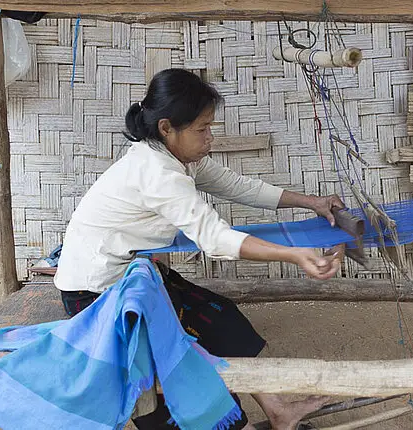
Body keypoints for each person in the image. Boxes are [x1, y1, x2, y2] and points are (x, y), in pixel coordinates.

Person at [54, 68, 346, 430]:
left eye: (210, 126)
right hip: (96, 292)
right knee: (177, 372)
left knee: (219, 318)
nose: (210, 137)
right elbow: (215, 238)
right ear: (166, 127)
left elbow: (236, 185)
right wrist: (293, 254)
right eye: (202, 129)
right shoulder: (158, 173)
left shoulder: (175, 157)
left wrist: (311, 202)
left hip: (131, 275)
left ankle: (278, 411)